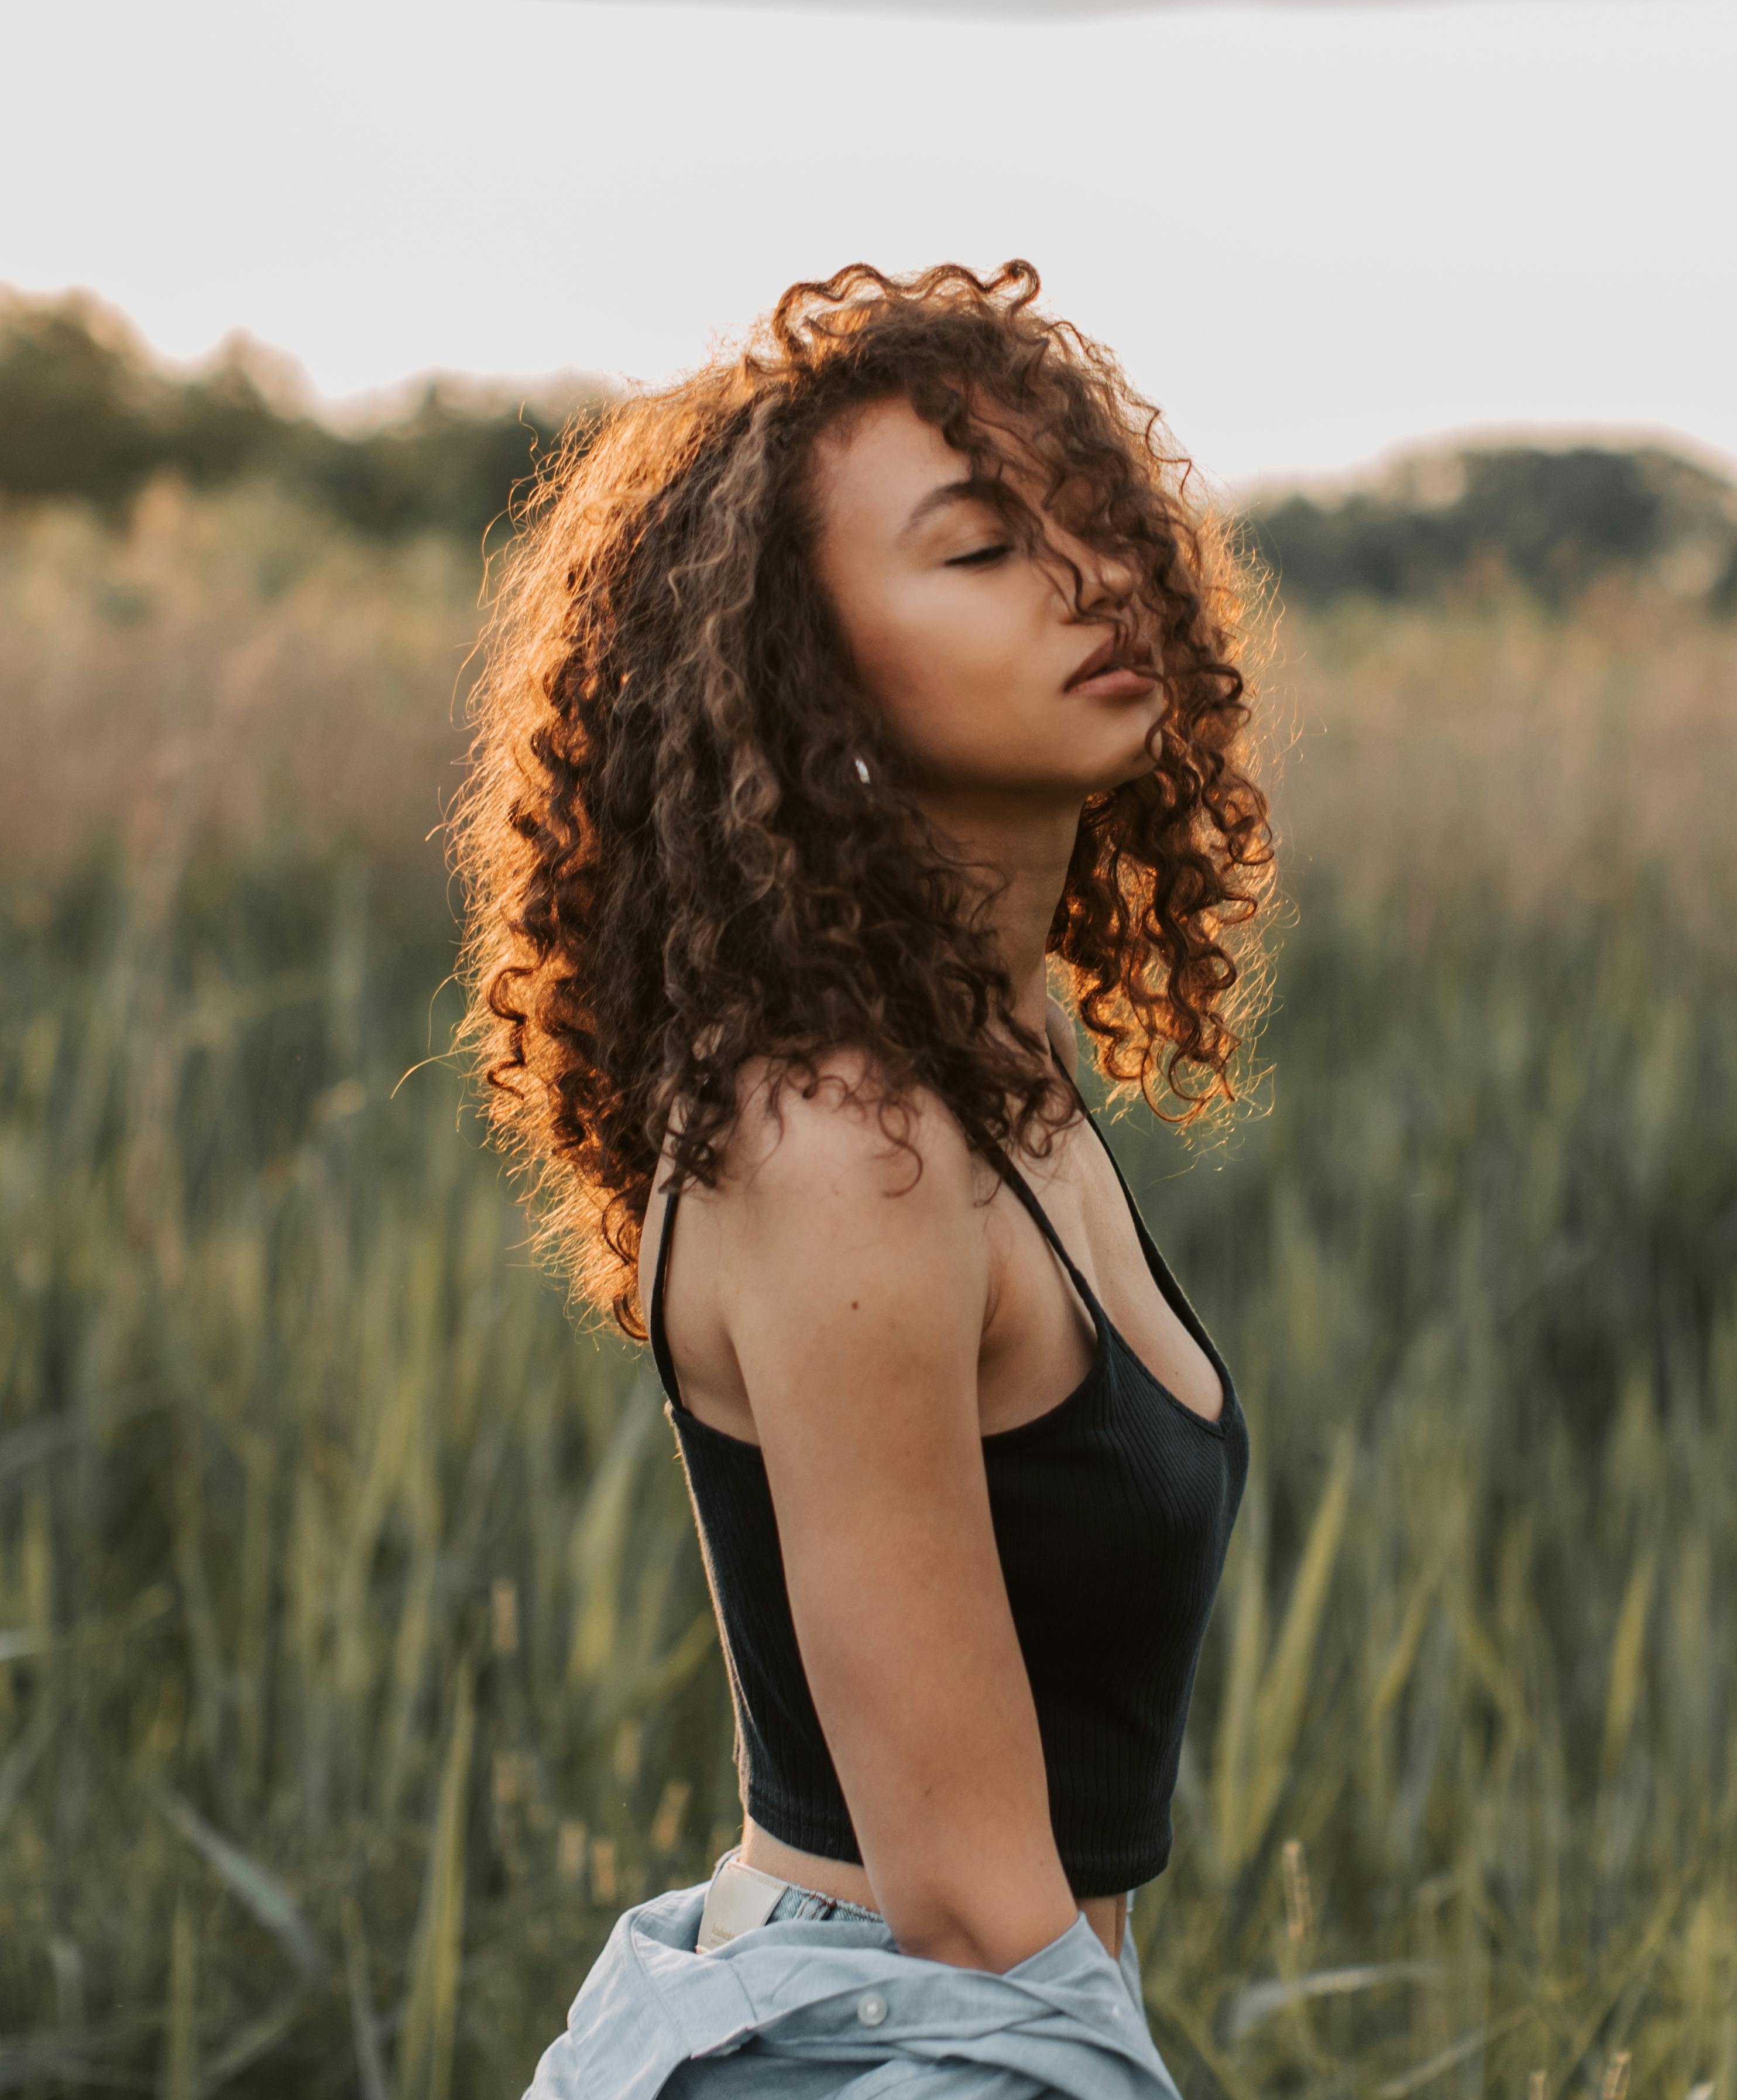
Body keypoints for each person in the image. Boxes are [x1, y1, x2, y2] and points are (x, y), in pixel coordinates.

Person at [449, 260, 1277, 2096]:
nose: (1091, 580)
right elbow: (973, 1901)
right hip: (910, 2035)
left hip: (979, 2027)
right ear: (802, 665)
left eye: (1098, 522)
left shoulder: (990, 1064)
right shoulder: (840, 1139)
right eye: (980, 550)